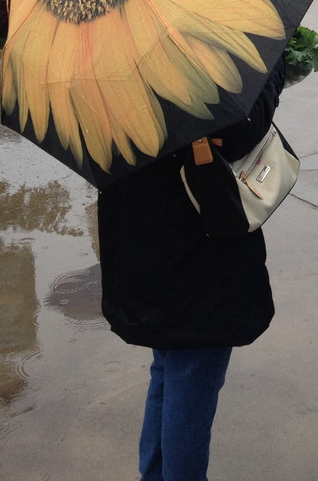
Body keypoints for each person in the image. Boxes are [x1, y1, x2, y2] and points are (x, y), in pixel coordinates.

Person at [97, 56, 286, 481]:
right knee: (189, 375)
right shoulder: (190, 34)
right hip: (194, 246)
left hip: (139, 232)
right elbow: (239, 127)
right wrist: (273, 66)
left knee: (169, 367)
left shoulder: (104, 48)